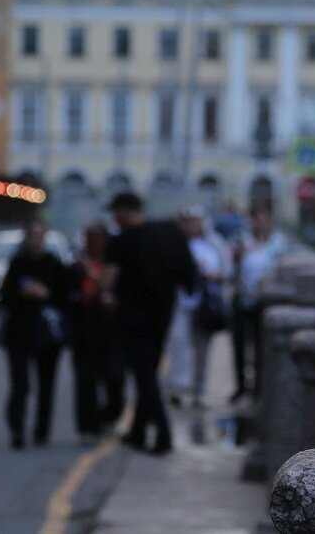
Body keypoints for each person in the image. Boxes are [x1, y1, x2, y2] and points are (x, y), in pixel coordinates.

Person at [104, 192, 196, 455]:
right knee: (149, 373)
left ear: (123, 211)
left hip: (133, 318)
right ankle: (138, 432)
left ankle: (163, 436)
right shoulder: (168, 232)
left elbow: (107, 282)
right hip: (163, 315)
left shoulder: (121, 241)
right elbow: (187, 274)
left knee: (144, 377)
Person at [0, 218, 68, 449]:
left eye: (40, 236)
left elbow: (64, 297)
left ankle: (41, 430)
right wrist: (23, 293)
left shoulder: (53, 264)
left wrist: (45, 293)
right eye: (33, 235)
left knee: (46, 384)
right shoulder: (17, 263)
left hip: (46, 335)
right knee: (20, 383)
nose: (36, 240)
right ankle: (17, 428)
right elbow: (4, 296)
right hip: (19, 332)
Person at [66, 223, 124, 444]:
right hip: (84, 333)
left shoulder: (114, 266)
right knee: (85, 382)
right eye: (91, 239)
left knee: (114, 378)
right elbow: (73, 297)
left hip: (110, 333)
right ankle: (88, 426)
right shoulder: (78, 267)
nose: (96, 244)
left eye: (99, 239)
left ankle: (108, 416)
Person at [166, 206, 228, 409]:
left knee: (202, 348)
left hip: (204, 303)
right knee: (178, 343)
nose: (191, 225)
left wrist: (211, 275)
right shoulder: (176, 243)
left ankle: (198, 389)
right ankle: (178, 387)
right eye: (187, 221)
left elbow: (225, 270)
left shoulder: (213, 243)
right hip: (181, 301)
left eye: (195, 221)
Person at [230, 203, 286, 403]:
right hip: (242, 299)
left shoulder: (278, 242)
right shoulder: (242, 239)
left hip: (265, 303)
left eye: (264, 218)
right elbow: (231, 264)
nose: (260, 223)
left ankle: (258, 389)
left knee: (261, 347)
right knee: (239, 345)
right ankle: (241, 387)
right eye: (256, 218)